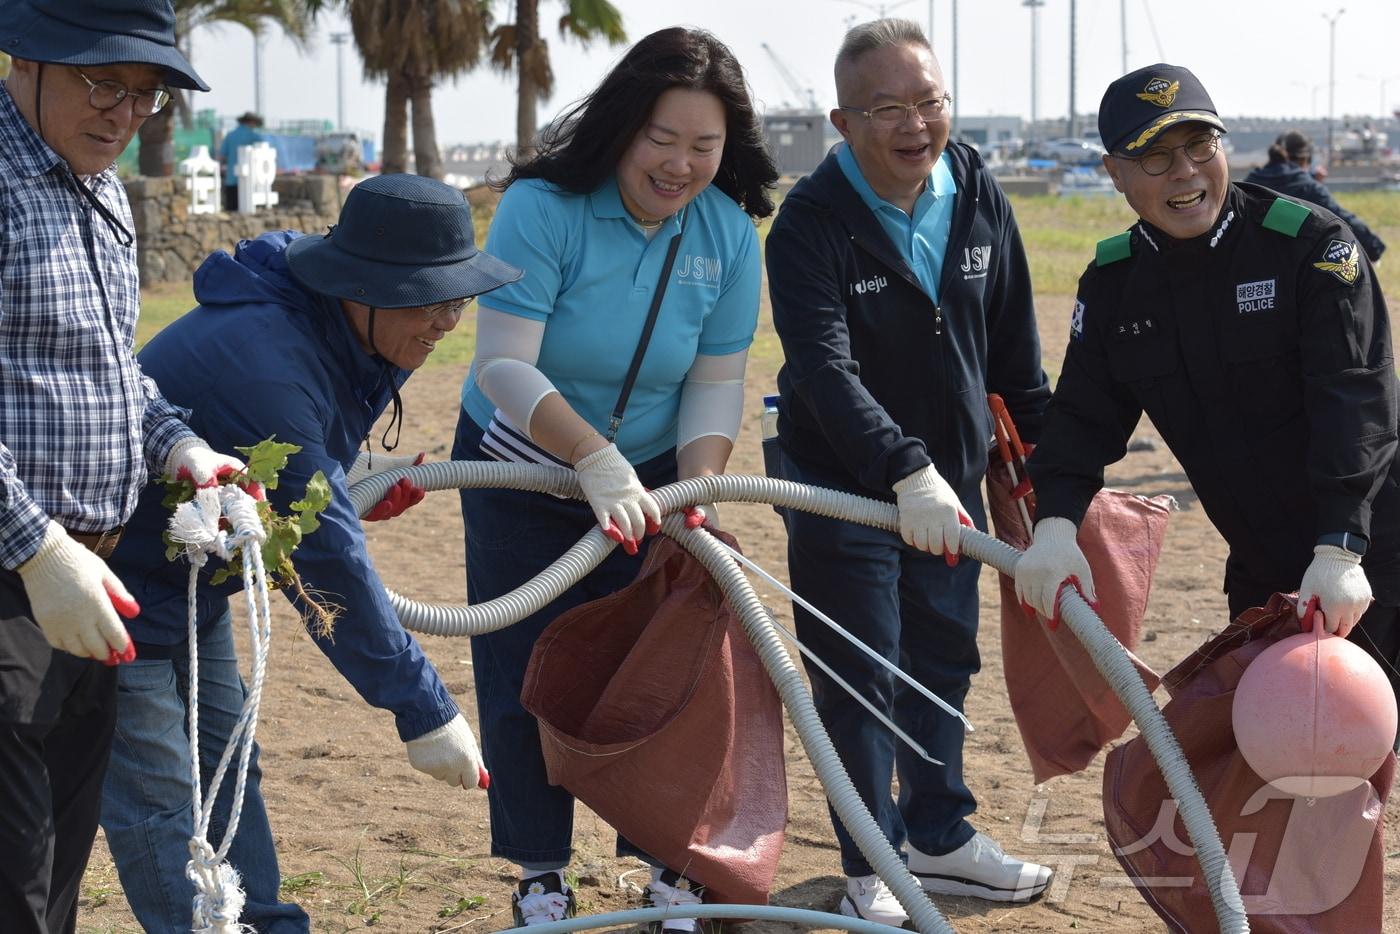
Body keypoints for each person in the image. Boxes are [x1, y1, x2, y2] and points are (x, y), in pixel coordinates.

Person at [99, 174, 522, 931]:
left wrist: (345, 481)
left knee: (227, 766)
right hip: (111, 590)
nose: (448, 321)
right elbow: (329, 566)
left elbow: (300, 469)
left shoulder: (349, 325)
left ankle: (266, 922)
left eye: (460, 300)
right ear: (364, 287)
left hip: (190, 581)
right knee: (163, 800)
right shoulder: (268, 359)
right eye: (432, 299)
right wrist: (423, 710)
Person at [452, 26, 778, 929]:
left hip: (658, 473)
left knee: (663, 664)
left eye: (703, 147)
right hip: (524, 457)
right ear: (622, 127)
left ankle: (669, 866)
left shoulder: (727, 234)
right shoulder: (542, 206)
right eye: (661, 140)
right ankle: (541, 876)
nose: (679, 165)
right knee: (524, 663)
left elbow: (716, 382)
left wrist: (693, 493)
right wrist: (589, 458)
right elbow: (503, 367)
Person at [764, 18, 1054, 926]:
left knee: (942, 658)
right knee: (861, 674)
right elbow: (824, 368)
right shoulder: (810, 224)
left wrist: (1056, 480)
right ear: (843, 122)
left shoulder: (974, 187)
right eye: (888, 108)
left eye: (929, 101)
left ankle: (940, 835)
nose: (914, 124)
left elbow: (1014, 355)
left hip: (952, 492)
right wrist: (904, 469)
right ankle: (871, 862)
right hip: (842, 484)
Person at [1017, 65, 1400, 748]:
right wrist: (1054, 527)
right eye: (1157, 157)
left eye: (1201, 147)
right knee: (1279, 759)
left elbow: (1355, 404)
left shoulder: (1310, 249)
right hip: (1261, 564)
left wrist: (1341, 546)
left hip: (1372, 552)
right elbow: (1080, 420)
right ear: (1114, 172)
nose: (1185, 172)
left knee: (1370, 741)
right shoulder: (1115, 284)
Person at [0, 1, 248, 930]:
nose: (123, 112)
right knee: (14, 878)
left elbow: (114, 374)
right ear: (23, 59)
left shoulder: (105, 193)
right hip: (19, 579)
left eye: (144, 95)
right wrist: (34, 548)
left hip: (88, 583)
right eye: (103, 83)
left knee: (57, 869)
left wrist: (184, 449)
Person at [1244, 129, 1386, 263]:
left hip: (1253, 268)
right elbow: (1340, 220)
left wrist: (1310, 180)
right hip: (1294, 273)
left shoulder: (1249, 184)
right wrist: (1374, 246)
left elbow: (1282, 190)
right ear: (1305, 159)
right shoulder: (1310, 189)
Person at [219, 110, 264, 211]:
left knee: (231, 209)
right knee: (248, 209)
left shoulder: (230, 135)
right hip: (249, 180)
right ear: (251, 122)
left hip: (231, 179)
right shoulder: (255, 137)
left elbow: (221, 156)